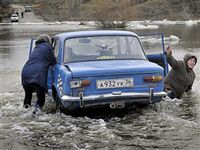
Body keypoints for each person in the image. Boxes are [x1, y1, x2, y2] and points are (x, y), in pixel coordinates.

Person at [21, 34, 56, 113]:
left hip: (25, 72)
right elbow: (53, 62)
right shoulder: (47, 48)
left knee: (28, 97)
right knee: (41, 101)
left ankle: (25, 114)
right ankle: (34, 115)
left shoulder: (36, 49)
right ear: (48, 41)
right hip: (37, 75)